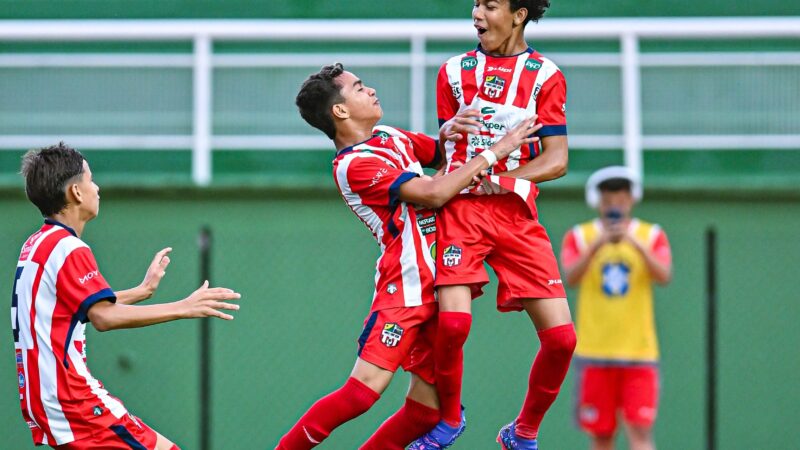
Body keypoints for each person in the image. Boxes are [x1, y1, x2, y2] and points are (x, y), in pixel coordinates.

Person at [276, 63, 541, 450]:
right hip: (406, 287)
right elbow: (434, 192)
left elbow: (440, 155)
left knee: (426, 412)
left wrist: (450, 133)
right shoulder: (353, 164)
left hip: (445, 282)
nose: (371, 91)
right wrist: (495, 152)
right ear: (340, 111)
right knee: (362, 392)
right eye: (359, 88)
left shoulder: (388, 136)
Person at [410, 1, 576, 449]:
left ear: (519, 14)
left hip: (515, 214)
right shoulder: (452, 71)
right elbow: (445, 157)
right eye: (476, 4)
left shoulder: (546, 75)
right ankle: (448, 420)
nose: (477, 12)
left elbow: (557, 160)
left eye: (490, 4)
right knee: (454, 325)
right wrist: (444, 138)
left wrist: (503, 179)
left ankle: (521, 433)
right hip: (461, 210)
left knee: (562, 340)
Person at [11, 143, 242, 449]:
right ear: (76, 193)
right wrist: (184, 307)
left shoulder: (37, 244)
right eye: (90, 179)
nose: (97, 187)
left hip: (42, 397)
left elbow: (72, 309)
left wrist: (142, 291)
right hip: (72, 398)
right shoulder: (69, 248)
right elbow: (104, 317)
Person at [560, 166, 672, 450]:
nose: (615, 205)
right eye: (609, 199)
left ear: (631, 200)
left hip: (639, 352)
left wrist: (632, 242)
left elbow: (664, 274)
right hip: (594, 352)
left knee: (640, 432)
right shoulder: (581, 235)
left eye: (621, 199)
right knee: (600, 436)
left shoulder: (651, 234)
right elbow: (570, 277)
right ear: (598, 201)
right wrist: (598, 244)